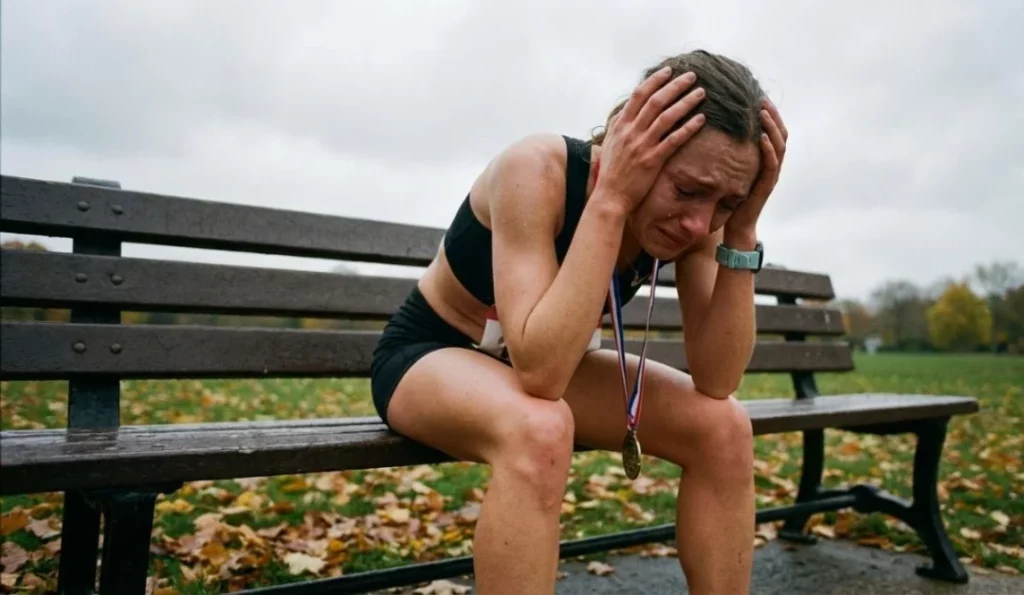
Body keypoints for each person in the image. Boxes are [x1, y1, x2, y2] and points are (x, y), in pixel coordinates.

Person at [370, 49, 787, 595]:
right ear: (633, 143)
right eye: (687, 190)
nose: (698, 222)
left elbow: (718, 377)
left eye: (727, 201)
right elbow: (540, 376)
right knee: (540, 428)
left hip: (553, 362)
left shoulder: (708, 219)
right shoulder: (536, 169)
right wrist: (612, 199)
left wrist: (742, 231)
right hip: (434, 353)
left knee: (724, 427)